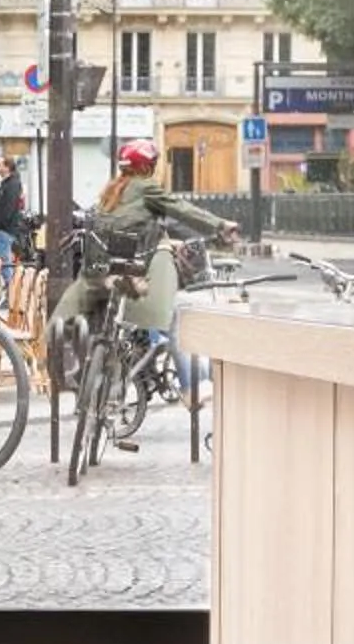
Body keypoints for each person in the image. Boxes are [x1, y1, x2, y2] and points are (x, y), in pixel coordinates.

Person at [55, 138, 237, 447]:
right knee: (175, 315)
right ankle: (191, 385)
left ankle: (105, 377)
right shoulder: (146, 189)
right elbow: (179, 209)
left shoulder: (109, 194)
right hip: (134, 276)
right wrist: (220, 225)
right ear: (148, 167)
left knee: (120, 326)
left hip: (104, 276)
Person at [0, 153, 26, 263]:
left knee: (3, 262)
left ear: (7, 167)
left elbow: (8, 208)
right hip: (2, 230)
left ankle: (8, 280)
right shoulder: (7, 183)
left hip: (4, 231)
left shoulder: (12, 184)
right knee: (1, 261)